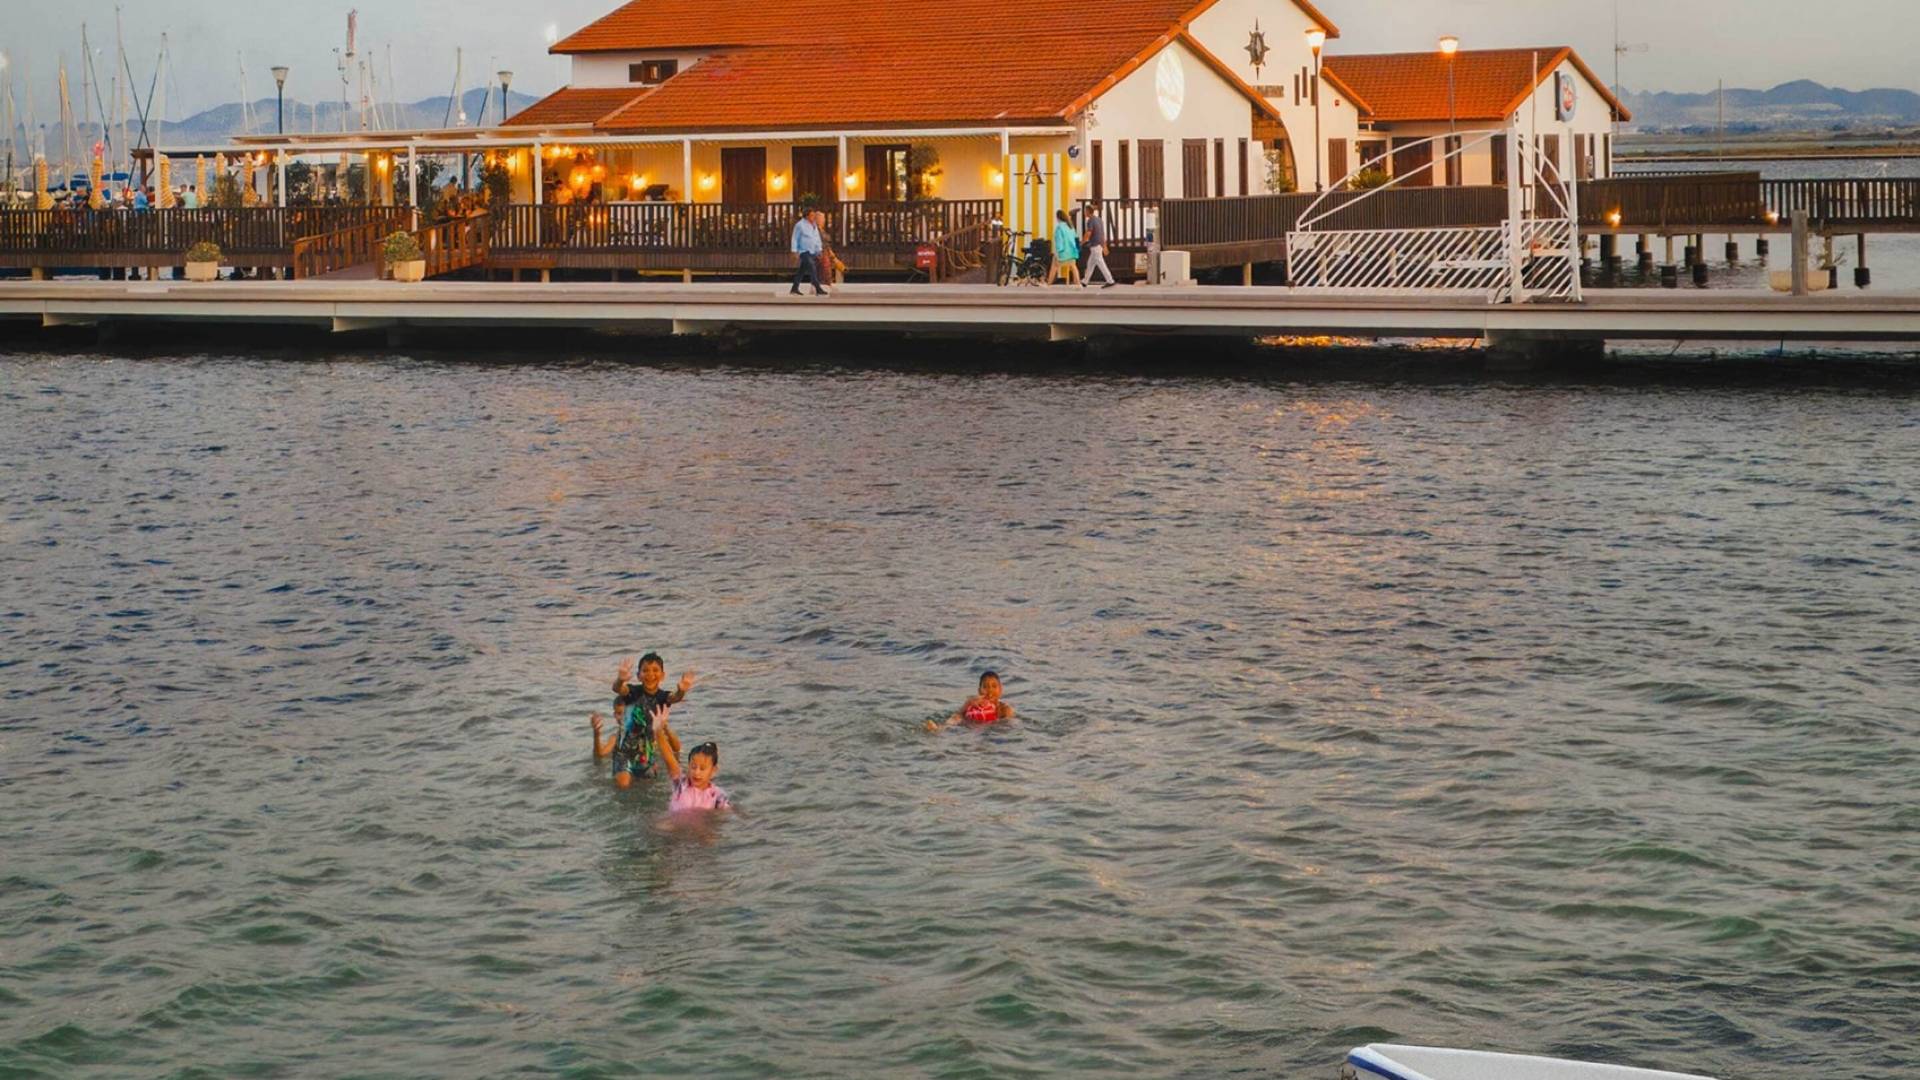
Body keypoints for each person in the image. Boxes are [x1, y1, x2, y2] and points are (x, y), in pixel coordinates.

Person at [589, 653, 696, 788]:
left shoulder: (663, 697)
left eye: (655, 670)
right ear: (639, 675)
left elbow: (675, 698)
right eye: (645, 670)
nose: (650, 674)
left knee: (648, 788)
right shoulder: (633, 692)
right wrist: (620, 679)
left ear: (663, 675)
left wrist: (682, 691)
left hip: (647, 754)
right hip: (624, 752)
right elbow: (618, 689)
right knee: (624, 784)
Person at [650, 705, 732, 812]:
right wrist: (658, 732)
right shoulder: (680, 783)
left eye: (702, 769)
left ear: (713, 770)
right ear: (688, 766)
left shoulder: (717, 796)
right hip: (675, 827)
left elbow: (728, 815)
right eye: (693, 767)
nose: (696, 773)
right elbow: (669, 757)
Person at [927, 671, 1017, 731]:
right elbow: (959, 712)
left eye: (994, 686)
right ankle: (941, 728)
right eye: (985, 687)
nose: (990, 690)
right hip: (969, 725)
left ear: (1000, 690)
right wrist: (968, 703)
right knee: (957, 716)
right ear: (979, 690)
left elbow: (1010, 724)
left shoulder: (1004, 709)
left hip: (990, 730)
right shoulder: (973, 703)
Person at [790, 209, 827, 296]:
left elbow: (816, 238)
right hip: (804, 250)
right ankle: (818, 288)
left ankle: (794, 288)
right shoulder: (800, 225)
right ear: (807, 216)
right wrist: (794, 251)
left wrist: (819, 249)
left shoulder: (814, 225)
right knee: (812, 267)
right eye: (812, 215)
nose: (814, 217)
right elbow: (795, 238)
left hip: (813, 250)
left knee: (801, 271)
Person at [1082, 204, 1116, 288]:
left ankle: (1110, 280)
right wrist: (1104, 245)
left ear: (1088, 212)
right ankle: (1085, 281)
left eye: (1085, 211)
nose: (1084, 213)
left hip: (1095, 245)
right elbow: (1102, 233)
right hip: (1099, 244)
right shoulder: (1099, 220)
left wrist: (1082, 242)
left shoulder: (1090, 221)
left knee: (1101, 263)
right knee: (1090, 263)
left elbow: (1089, 233)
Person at [1050, 209, 1081, 286]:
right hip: (1072, 252)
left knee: (1054, 267)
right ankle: (1078, 284)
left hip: (1063, 252)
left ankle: (1048, 284)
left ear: (1058, 218)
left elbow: (1059, 241)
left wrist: (1058, 252)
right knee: (1074, 267)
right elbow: (1075, 238)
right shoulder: (1070, 226)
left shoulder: (1059, 228)